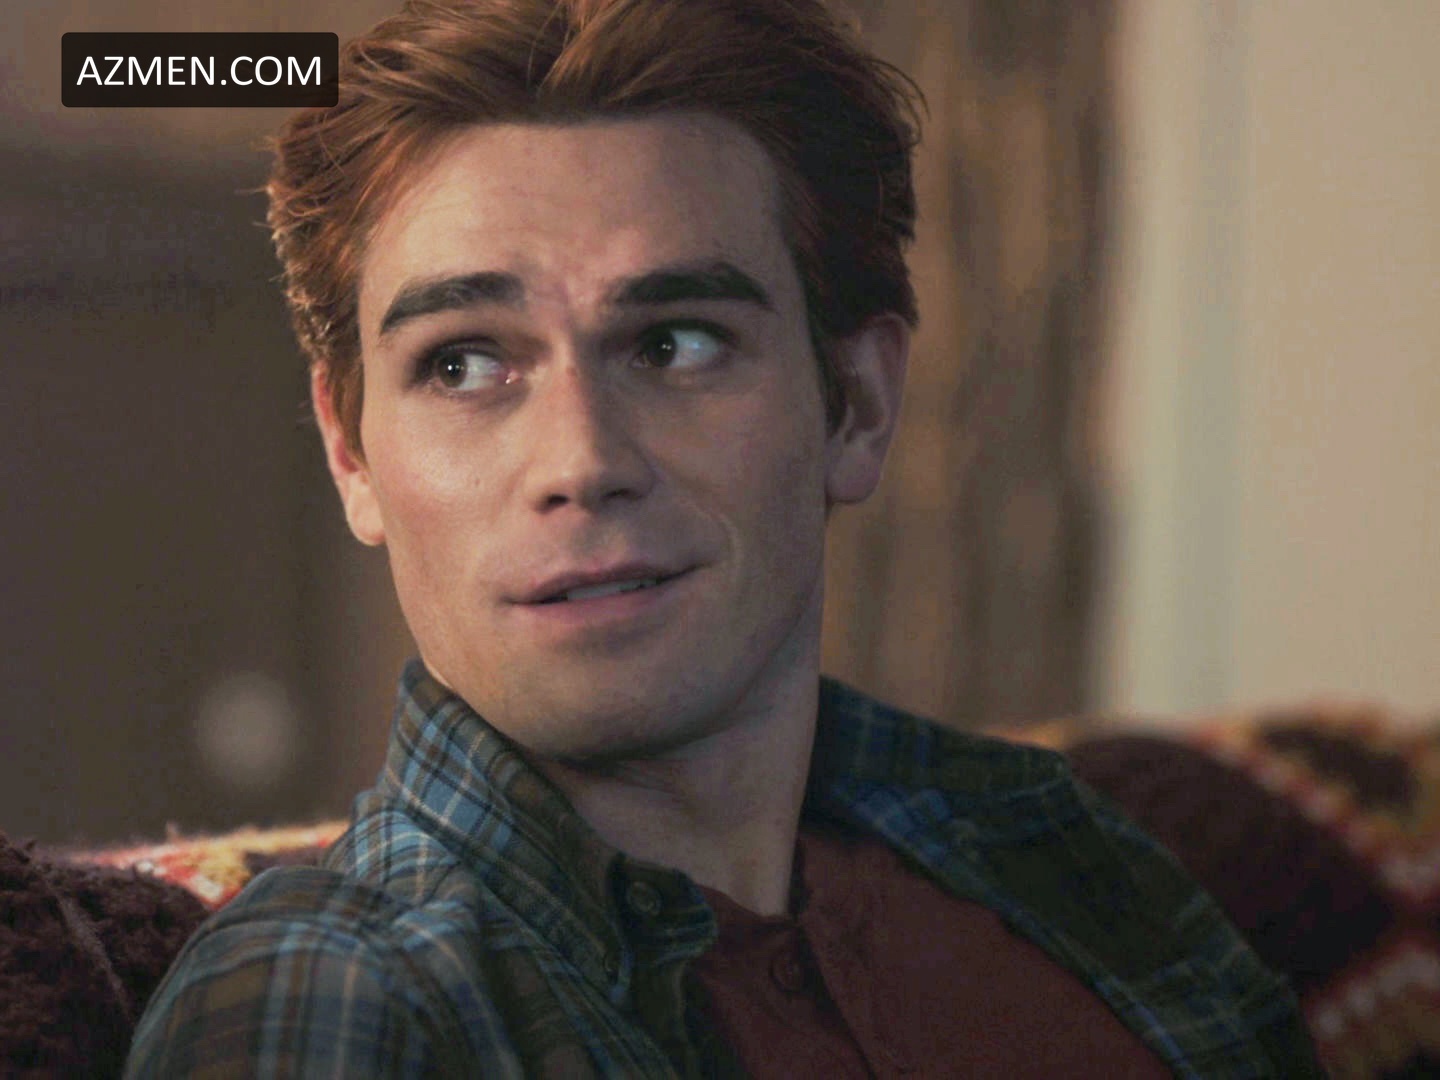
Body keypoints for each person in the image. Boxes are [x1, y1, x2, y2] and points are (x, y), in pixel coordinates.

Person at [127, 0, 1320, 1074]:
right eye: (464, 364)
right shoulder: (335, 993)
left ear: (857, 406)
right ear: (352, 455)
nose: (581, 460)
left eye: (676, 344)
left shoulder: (1057, 848)